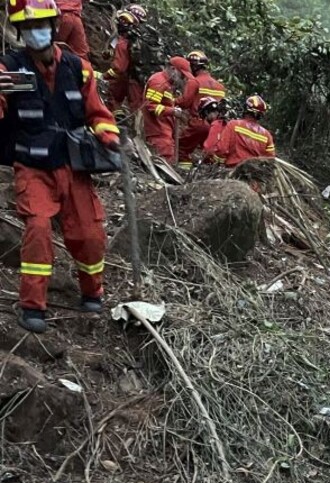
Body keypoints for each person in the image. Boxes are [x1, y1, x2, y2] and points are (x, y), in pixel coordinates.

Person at [1, 0, 120, 333]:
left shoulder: (76, 68)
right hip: (33, 167)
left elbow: (98, 113)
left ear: (54, 26)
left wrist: (108, 138)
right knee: (38, 229)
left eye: (40, 26)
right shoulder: (11, 71)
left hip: (74, 165)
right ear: (20, 33)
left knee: (89, 234)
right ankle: (32, 306)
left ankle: (92, 290)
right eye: (28, 28)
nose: (35, 33)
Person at [177, 50, 226, 170]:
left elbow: (185, 102)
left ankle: (183, 174)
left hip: (198, 123)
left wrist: (171, 101)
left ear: (194, 66)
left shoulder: (194, 82)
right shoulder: (220, 86)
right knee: (208, 153)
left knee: (182, 148)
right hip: (215, 126)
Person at [143, 56, 193, 164]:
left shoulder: (167, 84)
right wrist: (172, 111)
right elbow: (151, 106)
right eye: (182, 75)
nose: (183, 79)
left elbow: (164, 103)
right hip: (158, 132)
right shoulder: (158, 82)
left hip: (164, 131)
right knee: (164, 163)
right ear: (173, 69)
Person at [214, 95, 275, 168]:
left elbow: (222, 149)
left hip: (232, 171)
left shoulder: (233, 125)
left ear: (245, 109)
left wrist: (218, 163)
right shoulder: (267, 135)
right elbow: (270, 160)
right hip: (255, 175)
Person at [104, 7, 144, 114]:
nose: (122, 23)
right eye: (122, 20)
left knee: (112, 98)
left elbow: (119, 69)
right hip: (137, 79)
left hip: (128, 78)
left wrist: (104, 76)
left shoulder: (124, 42)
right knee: (136, 108)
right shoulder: (139, 39)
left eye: (125, 21)